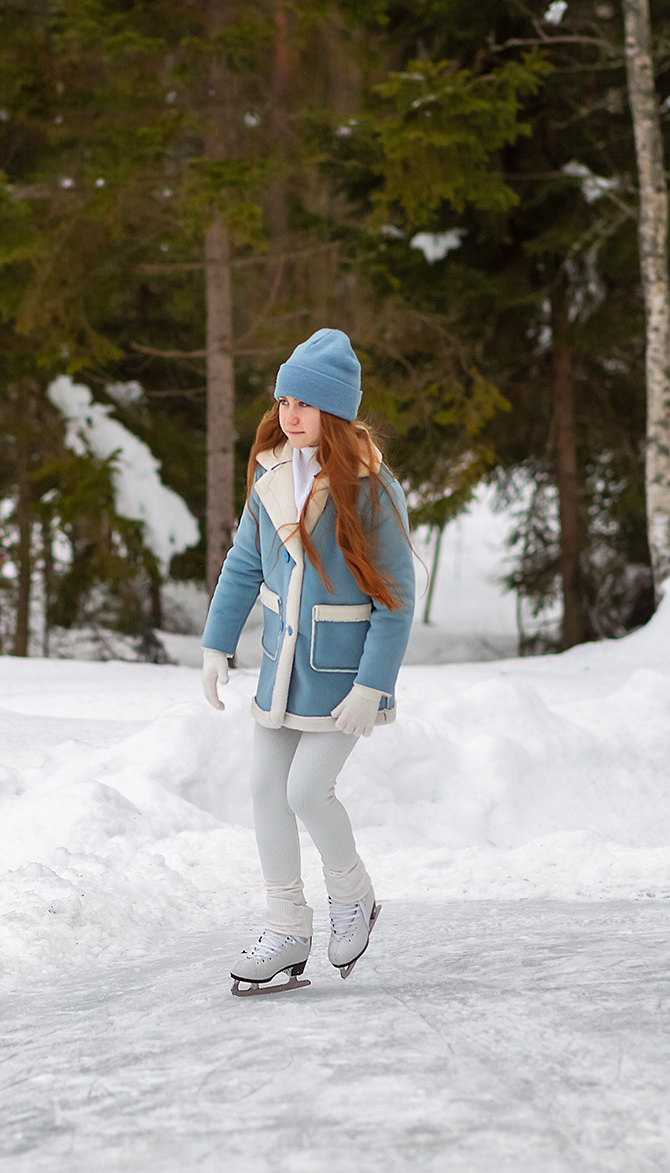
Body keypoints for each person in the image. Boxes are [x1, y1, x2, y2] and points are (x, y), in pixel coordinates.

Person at [198, 329, 415, 996]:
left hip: (341, 676)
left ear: (335, 412)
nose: (290, 414)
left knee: (304, 790)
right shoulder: (270, 477)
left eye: (306, 403)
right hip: (280, 668)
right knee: (266, 790)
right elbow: (241, 565)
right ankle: (287, 925)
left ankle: (352, 893)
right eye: (284, 400)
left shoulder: (371, 489)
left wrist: (373, 684)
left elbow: (398, 598)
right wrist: (216, 641)